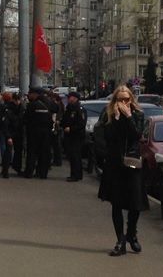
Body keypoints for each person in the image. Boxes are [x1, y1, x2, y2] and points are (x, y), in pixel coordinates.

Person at [98, 85, 148, 257]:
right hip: (114, 164)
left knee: (135, 204)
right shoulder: (109, 114)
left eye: (127, 99)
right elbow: (108, 137)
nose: (124, 102)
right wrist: (117, 119)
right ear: (115, 100)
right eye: (120, 99)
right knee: (116, 203)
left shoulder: (138, 115)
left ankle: (132, 234)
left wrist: (128, 117)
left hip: (132, 162)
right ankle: (120, 240)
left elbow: (137, 135)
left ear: (131, 99)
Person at [23, 87, 54, 179]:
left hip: (33, 132)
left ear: (35, 94)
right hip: (47, 132)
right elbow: (55, 110)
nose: (29, 95)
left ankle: (29, 172)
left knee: (32, 153)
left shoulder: (32, 104)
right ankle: (42, 174)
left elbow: (26, 118)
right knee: (44, 153)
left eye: (30, 93)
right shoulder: (49, 103)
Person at [61, 92, 87, 182]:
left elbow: (81, 124)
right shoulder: (69, 108)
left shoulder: (79, 109)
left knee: (75, 155)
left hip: (76, 136)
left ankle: (76, 175)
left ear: (75, 98)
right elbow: (65, 120)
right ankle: (75, 174)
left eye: (70, 97)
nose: (68, 99)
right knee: (72, 156)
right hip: (70, 136)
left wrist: (71, 129)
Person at [10, 93, 25, 175]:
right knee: (17, 150)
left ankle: (16, 166)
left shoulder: (19, 107)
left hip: (17, 131)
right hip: (16, 131)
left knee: (17, 150)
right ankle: (16, 166)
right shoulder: (18, 108)